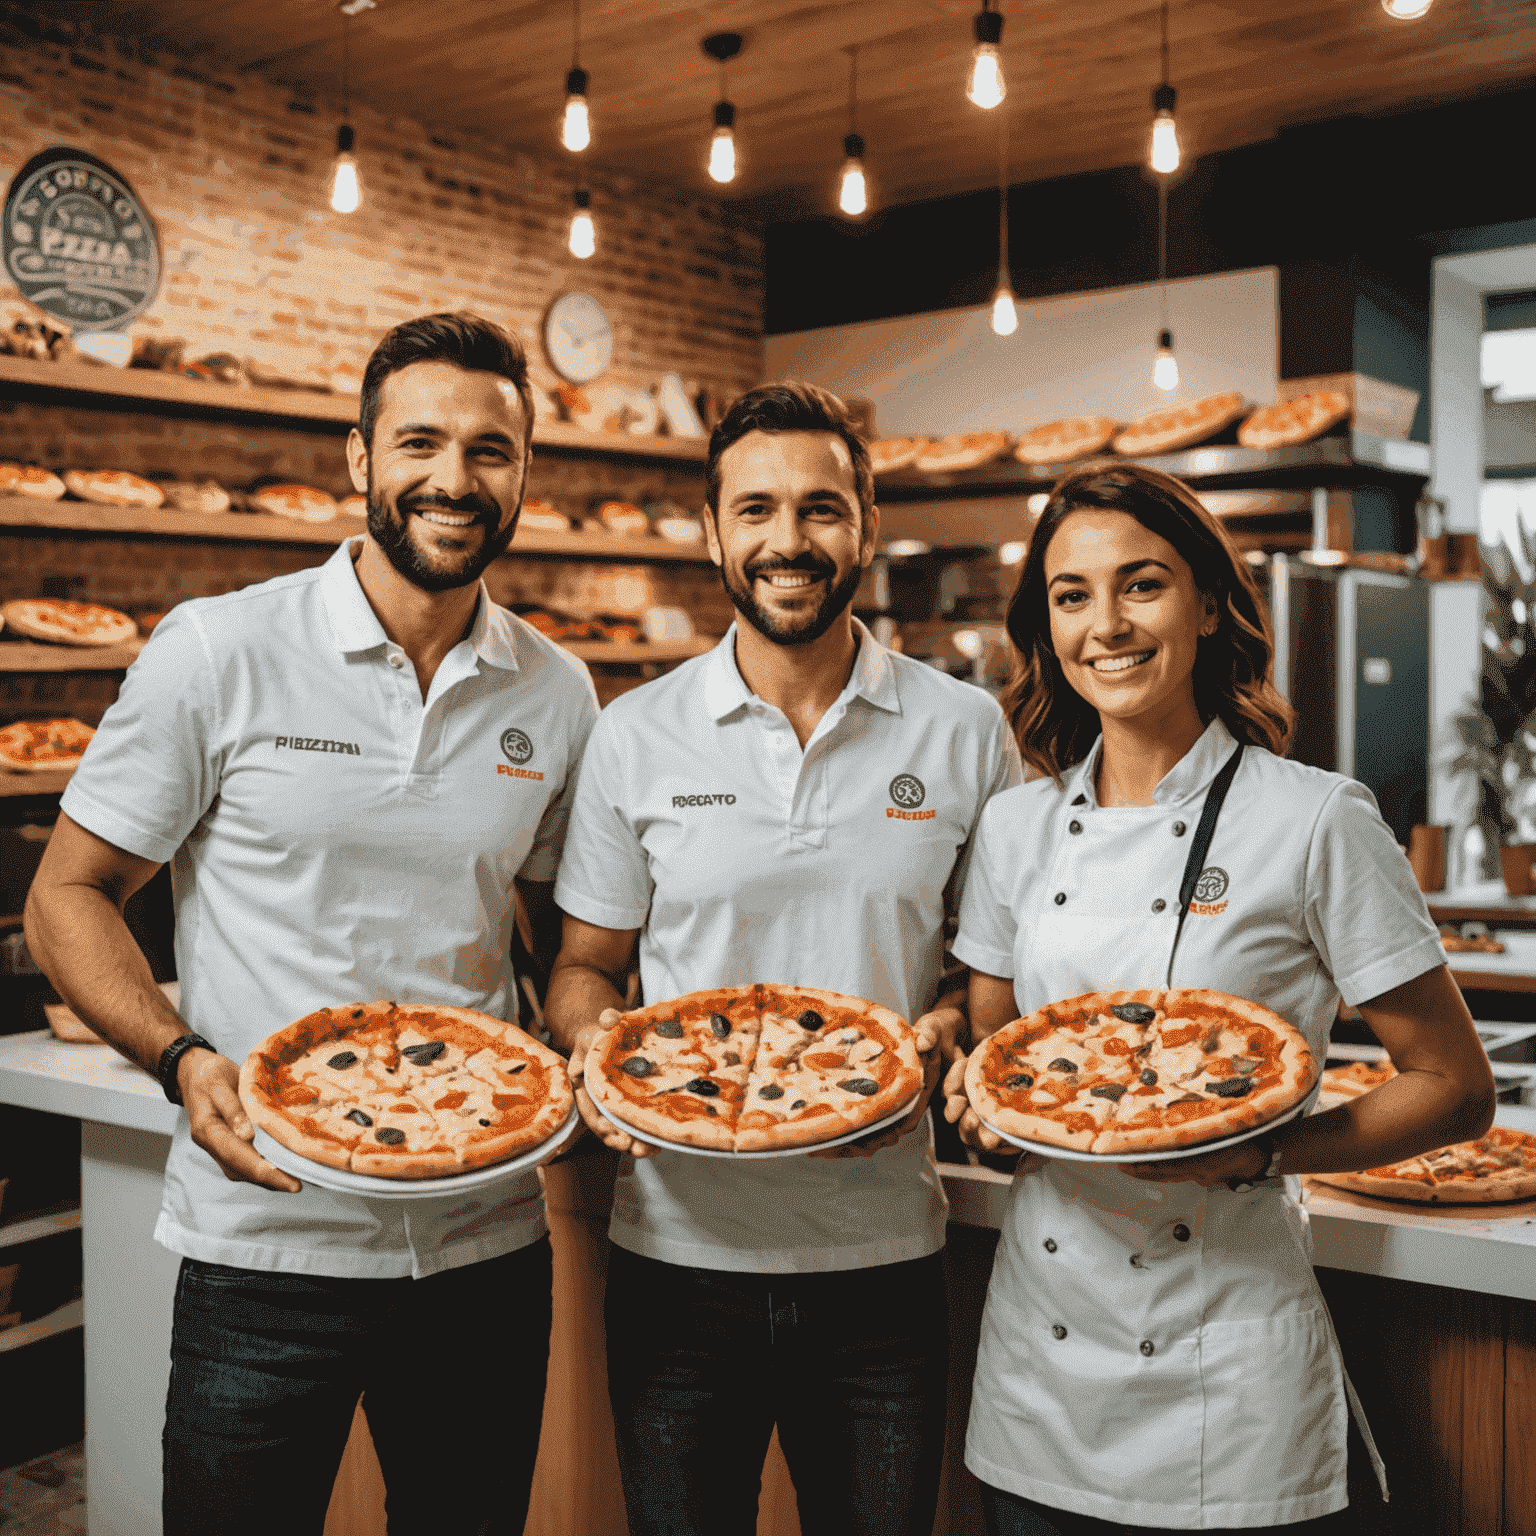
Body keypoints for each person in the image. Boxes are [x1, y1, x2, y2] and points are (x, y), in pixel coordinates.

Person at [24, 312, 598, 1536]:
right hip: (265, 1234)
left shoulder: (557, 689)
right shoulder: (219, 649)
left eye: (490, 449)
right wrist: (181, 1059)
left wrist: (589, 1041)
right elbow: (65, 896)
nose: (454, 479)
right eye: (421, 443)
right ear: (360, 459)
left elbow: (560, 939)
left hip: (484, 1238)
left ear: (525, 473)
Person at [940, 460, 1496, 1535]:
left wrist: (1263, 1154)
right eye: (1071, 595)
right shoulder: (1013, 830)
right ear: (1045, 625)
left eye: (1140, 585)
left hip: (1229, 1367)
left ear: (1205, 603)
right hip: (1038, 1374)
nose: (1107, 623)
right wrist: (981, 1104)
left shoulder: (1318, 818)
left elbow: (1454, 1088)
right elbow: (995, 1048)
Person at [545, 381, 1022, 1536]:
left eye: (819, 508)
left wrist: (958, 1029)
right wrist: (592, 1042)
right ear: (714, 533)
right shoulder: (634, 732)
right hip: (674, 1258)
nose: (787, 542)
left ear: (863, 523)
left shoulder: (966, 731)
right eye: (755, 511)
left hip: (886, 1259)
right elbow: (584, 965)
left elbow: (994, 974)